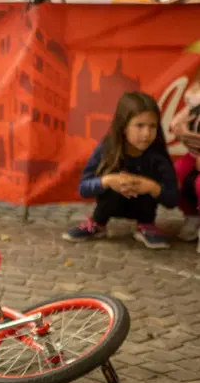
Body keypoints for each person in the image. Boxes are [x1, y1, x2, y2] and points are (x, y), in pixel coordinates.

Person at [63, 91, 178, 249]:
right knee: (112, 177)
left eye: (153, 126)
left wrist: (152, 187)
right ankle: (97, 223)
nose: (146, 133)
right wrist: (108, 181)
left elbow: (173, 199)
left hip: (144, 208)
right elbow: (83, 188)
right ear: (123, 126)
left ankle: (146, 225)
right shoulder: (106, 148)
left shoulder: (158, 156)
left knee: (149, 179)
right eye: (139, 126)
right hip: (111, 205)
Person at [172, 69, 200, 248]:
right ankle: (192, 216)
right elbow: (176, 122)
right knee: (177, 173)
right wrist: (180, 127)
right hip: (194, 153)